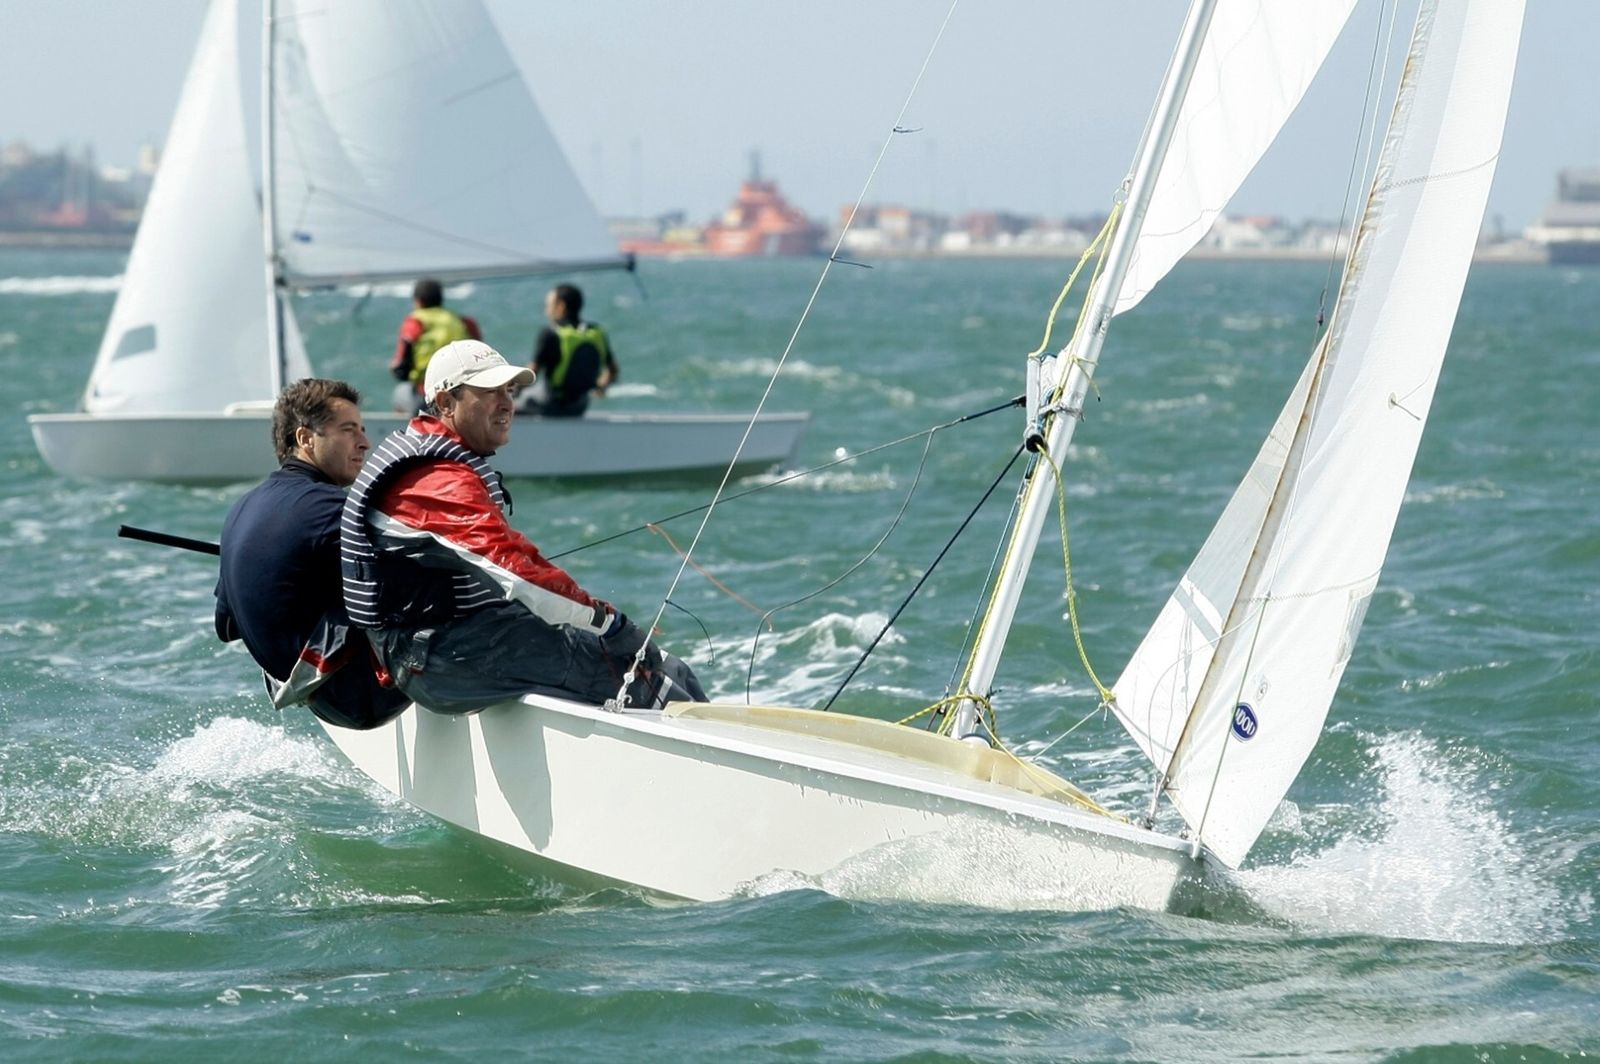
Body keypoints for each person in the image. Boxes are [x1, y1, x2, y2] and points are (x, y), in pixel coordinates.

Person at [342, 339, 706, 714]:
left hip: (443, 647)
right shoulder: (435, 480)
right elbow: (519, 573)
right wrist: (612, 624)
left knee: (662, 664)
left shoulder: (424, 450)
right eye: (489, 392)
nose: (506, 403)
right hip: (437, 663)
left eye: (509, 390)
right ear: (446, 402)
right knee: (642, 676)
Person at [215, 379, 409, 730]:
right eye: (348, 431)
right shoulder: (333, 508)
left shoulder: (241, 509)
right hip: (361, 698)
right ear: (305, 439)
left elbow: (226, 626)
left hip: (308, 693)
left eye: (362, 430)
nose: (365, 443)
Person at [521, 282, 620, 417]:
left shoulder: (550, 332)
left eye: (549, 305)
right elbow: (613, 371)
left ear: (561, 306)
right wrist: (601, 388)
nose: (546, 310)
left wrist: (510, 392)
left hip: (551, 404)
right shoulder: (596, 332)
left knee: (521, 400)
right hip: (580, 406)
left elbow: (532, 373)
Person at [389, 278, 482, 414]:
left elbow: (401, 367)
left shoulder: (415, 322)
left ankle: (409, 433)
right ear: (441, 299)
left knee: (400, 393)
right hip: (463, 392)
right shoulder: (462, 321)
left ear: (418, 301)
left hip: (426, 394)